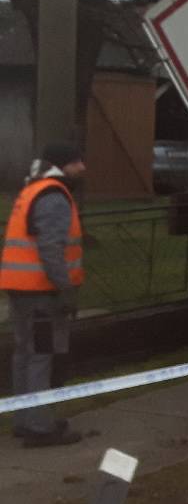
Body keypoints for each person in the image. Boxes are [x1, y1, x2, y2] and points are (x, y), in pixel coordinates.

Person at [4, 143, 87, 447]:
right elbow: (51, 249)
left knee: (25, 356)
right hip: (42, 293)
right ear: (64, 165)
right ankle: (39, 428)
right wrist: (65, 291)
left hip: (22, 288)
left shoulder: (33, 189)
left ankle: (26, 420)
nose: (83, 167)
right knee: (40, 357)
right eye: (78, 161)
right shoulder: (54, 196)